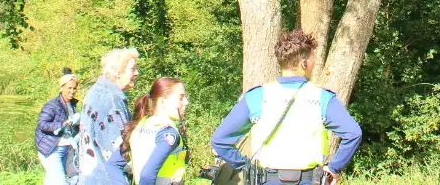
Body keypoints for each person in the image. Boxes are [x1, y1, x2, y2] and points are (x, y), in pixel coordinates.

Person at [211, 30, 362, 185]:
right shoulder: (322, 98)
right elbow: (353, 133)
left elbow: (220, 140)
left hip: (265, 180)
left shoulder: (256, 97)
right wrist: (334, 168)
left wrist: (245, 166)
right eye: (312, 60)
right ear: (304, 63)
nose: (314, 64)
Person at [104, 77, 191, 185]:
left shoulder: (140, 126)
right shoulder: (168, 133)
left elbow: (112, 165)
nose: (186, 102)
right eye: (181, 98)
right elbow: (147, 175)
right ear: (163, 101)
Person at [80, 48, 141, 185]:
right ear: (117, 72)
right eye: (132, 69)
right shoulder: (111, 100)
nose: (137, 73)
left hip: (89, 177)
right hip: (107, 179)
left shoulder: (95, 91)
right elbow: (119, 150)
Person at [37, 68, 81, 185]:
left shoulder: (72, 105)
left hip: (66, 149)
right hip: (51, 150)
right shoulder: (52, 105)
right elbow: (42, 124)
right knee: (60, 181)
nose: (72, 91)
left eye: (74, 88)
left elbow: (72, 126)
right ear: (61, 88)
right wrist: (61, 124)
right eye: (69, 88)